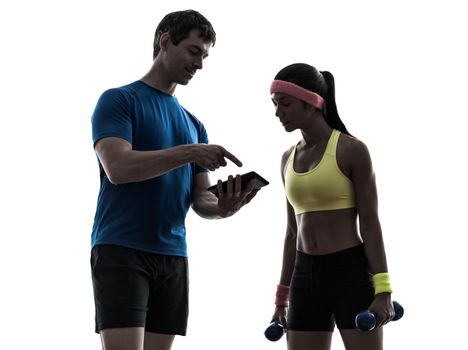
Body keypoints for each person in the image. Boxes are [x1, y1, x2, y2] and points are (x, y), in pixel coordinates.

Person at [90, 10, 257, 350]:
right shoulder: (118, 100)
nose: (199, 64)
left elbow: (201, 199)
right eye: (194, 51)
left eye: (205, 56)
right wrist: (189, 153)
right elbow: (118, 168)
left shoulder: (194, 124)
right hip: (122, 249)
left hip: (173, 257)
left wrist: (223, 206)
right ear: (166, 42)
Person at [269, 63, 395, 350]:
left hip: (348, 272)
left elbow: (371, 223)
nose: (278, 113)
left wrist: (384, 289)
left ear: (312, 102)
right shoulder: (287, 158)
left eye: (285, 104)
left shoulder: (352, 150)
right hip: (304, 275)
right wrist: (281, 298)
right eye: (275, 105)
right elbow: (291, 232)